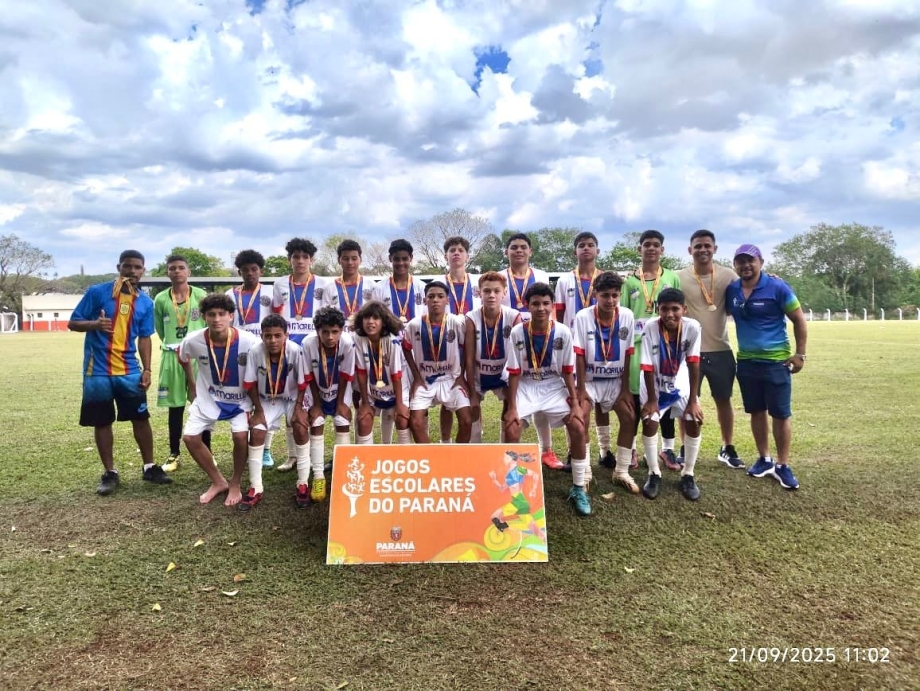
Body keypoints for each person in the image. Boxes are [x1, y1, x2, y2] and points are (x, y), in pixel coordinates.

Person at [68, 250, 173, 495]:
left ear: (143, 270)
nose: (132, 271)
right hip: (98, 372)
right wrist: (94, 324)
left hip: (129, 370)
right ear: (119, 267)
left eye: (137, 267)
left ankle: (149, 467)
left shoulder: (145, 302)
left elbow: (145, 338)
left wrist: (147, 369)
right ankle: (110, 473)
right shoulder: (97, 293)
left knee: (140, 417)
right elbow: (73, 322)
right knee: (102, 420)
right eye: (128, 266)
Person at [727, 244, 808, 490]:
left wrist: (800, 355)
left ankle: (783, 465)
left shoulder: (777, 287)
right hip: (747, 361)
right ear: (735, 266)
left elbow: (799, 319)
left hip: (776, 362)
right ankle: (764, 458)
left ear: (761, 262)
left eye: (750, 261)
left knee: (781, 414)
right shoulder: (732, 289)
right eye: (740, 262)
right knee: (756, 411)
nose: (745, 266)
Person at [503, 283, 588, 516]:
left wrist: (575, 402)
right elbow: (513, 372)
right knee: (511, 428)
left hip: (552, 385)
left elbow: (568, 370)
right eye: (535, 304)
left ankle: (579, 487)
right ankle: (514, 494)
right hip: (527, 385)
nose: (540, 308)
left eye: (545, 303)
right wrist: (511, 408)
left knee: (578, 427)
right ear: (527, 306)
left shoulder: (562, 331)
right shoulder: (518, 332)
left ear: (552, 306)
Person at [178, 293, 261, 506]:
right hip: (208, 398)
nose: (217, 319)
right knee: (190, 438)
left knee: (241, 437)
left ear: (231, 316)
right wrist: (192, 384)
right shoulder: (193, 340)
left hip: (239, 400)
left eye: (222, 314)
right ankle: (218, 481)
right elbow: (183, 357)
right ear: (204, 317)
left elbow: (260, 368)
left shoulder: (250, 341)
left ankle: (234, 483)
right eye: (211, 315)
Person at [677, 230, 744, 468]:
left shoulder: (729, 276)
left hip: (720, 348)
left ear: (715, 248)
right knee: (687, 400)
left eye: (707, 245)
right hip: (689, 351)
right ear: (690, 250)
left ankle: (727, 447)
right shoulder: (679, 277)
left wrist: (772, 278)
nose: (702, 250)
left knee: (723, 400)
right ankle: (685, 447)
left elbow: (750, 286)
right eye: (697, 246)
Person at [622, 230, 682, 472]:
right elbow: (624, 317)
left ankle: (667, 448)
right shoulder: (629, 281)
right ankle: (633, 447)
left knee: (665, 393)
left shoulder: (672, 278)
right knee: (636, 396)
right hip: (637, 347)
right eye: (647, 245)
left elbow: (678, 313)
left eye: (656, 245)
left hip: (666, 347)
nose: (651, 248)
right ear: (639, 249)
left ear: (662, 250)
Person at [572, 272, 638, 493]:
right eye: (605, 296)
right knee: (580, 420)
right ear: (595, 295)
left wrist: (626, 388)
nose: (610, 301)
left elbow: (628, 353)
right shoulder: (583, 317)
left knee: (629, 417)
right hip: (589, 381)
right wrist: (580, 389)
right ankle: (586, 471)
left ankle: (621, 471)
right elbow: (579, 355)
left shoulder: (627, 316)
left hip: (614, 381)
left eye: (615, 295)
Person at [637, 288, 704, 501]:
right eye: (664, 309)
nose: (669, 314)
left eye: (675, 309)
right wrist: (652, 401)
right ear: (658, 309)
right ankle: (654, 473)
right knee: (649, 420)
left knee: (694, 419)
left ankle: (688, 474)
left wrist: (693, 400)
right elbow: (647, 366)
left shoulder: (693, 327)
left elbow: (694, 364)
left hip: (679, 380)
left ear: (684, 309)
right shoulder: (650, 327)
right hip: (653, 382)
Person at [239, 314, 310, 511]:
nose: (273, 340)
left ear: (286, 335)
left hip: (291, 397)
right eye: (268, 336)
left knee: (300, 427)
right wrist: (258, 412)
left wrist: (298, 409)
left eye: (278, 335)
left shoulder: (295, 351)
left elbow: (302, 383)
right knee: (258, 431)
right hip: (265, 398)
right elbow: (250, 383)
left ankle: (303, 483)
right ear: (262, 336)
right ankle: (256, 486)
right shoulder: (255, 351)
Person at [501, 233, 559, 470]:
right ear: (507, 252)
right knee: (511, 397)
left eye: (523, 247)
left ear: (530, 251)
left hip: (540, 338)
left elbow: (550, 309)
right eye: (513, 247)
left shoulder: (542, 276)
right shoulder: (500, 278)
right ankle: (502, 453)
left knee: (542, 391)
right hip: (509, 341)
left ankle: (546, 450)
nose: (518, 251)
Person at [272, 238, 325, 470]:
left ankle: (314, 454)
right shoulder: (280, 285)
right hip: (288, 353)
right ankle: (293, 455)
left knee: (314, 401)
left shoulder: (324, 284)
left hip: (314, 350)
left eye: (305, 257)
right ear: (290, 260)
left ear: (311, 260)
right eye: (296, 257)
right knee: (291, 400)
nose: (301, 261)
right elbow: (275, 317)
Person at [154, 254, 208, 472]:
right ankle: (174, 454)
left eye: (181, 268)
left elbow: (207, 325)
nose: (176, 271)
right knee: (175, 408)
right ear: (167, 272)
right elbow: (159, 328)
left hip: (197, 357)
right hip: (171, 356)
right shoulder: (160, 299)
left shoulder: (201, 295)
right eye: (172, 268)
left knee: (202, 405)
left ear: (189, 272)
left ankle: (207, 451)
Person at [403, 281, 472, 443]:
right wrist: (416, 376)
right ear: (424, 300)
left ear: (447, 300)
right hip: (425, 380)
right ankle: (432, 459)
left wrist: (461, 375)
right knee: (415, 422)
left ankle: (456, 459)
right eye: (431, 296)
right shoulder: (414, 325)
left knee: (467, 420)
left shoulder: (456, 322)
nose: (435, 300)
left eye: (440, 296)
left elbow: (467, 348)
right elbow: (406, 348)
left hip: (451, 379)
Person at [227, 248, 278, 468]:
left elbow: (278, 319)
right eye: (245, 270)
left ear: (261, 271)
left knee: (266, 397)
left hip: (266, 351)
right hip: (240, 353)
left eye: (254, 269)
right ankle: (248, 445)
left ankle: (265, 449)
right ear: (240, 272)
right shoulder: (231, 295)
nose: (250, 273)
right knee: (247, 398)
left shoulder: (271, 292)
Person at [465, 272, 522, 443]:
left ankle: (503, 447)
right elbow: (468, 357)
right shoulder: (471, 317)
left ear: (504, 293)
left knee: (509, 407)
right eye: (487, 291)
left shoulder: (514, 316)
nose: (491, 295)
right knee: (473, 408)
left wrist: (511, 385)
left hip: (503, 373)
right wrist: (472, 391)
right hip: (478, 373)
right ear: (479, 293)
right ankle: (476, 447)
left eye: (496, 291)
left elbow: (517, 357)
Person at [303, 307, 355, 493]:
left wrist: (341, 403)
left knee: (342, 421)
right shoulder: (308, 344)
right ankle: (318, 476)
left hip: (340, 389)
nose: (330, 337)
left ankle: (342, 473)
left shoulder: (348, 343)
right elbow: (308, 375)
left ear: (342, 330)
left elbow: (346, 374)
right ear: (318, 331)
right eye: (325, 332)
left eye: (335, 332)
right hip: (316, 388)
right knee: (316, 422)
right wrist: (316, 404)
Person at [352, 301, 412, 444]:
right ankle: (365, 460)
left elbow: (396, 375)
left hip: (396, 390)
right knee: (364, 420)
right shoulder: (358, 339)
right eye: (366, 318)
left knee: (402, 419)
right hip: (373, 391)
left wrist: (399, 404)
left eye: (375, 318)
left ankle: (405, 457)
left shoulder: (392, 342)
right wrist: (365, 402)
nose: (370, 322)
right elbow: (361, 372)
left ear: (384, 322)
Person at [439, 236, 480, 444]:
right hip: (446, 346)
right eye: (452, 250)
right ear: (446, 256)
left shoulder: (477, 283)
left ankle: (474, 440)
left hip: (475, 345)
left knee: (473, 391)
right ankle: (445, 442)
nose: (456, 253)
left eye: (460, 250)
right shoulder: (439, 284)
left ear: (467, 256)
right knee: (448, 397)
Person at [319, 239, 376, 324]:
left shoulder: (371, 285)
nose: (350, 262)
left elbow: (377, 315)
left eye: (354, 258)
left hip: (363, 336)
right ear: (339, 260)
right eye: (345, 259)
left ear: (360, 259)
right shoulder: (330, 287)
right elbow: (325, 319)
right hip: (339, 336)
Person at [371, 239, 426, 325]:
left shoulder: (422, 287)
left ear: (411, 258)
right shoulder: (379, 288)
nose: (401, 263)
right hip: (389, 337)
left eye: (404, 259)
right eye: (396, 259)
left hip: (417, 337)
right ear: (390, 258)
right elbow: (375, 318)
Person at [555, 231, 601, 329]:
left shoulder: (605, 279)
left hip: (600, 335)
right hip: (572, 335)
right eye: (581, 246)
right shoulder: (563, 280)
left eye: (590, 245)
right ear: (575, 252)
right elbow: (559, 313)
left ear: (597, 251)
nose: (586, 248)